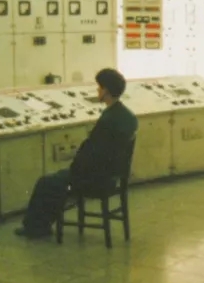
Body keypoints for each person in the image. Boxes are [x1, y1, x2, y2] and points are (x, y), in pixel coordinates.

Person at [16, 68, 138, 239]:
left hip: (95, 178)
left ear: (106, 91)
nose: (97, 90)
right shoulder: (127, 116)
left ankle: (35, 228)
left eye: (99, 87)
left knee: (46, 182)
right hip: (112, 175)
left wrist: (74, 169)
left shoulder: (108, 119)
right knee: (58, 179)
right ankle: (42, 224)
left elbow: (92, 153)